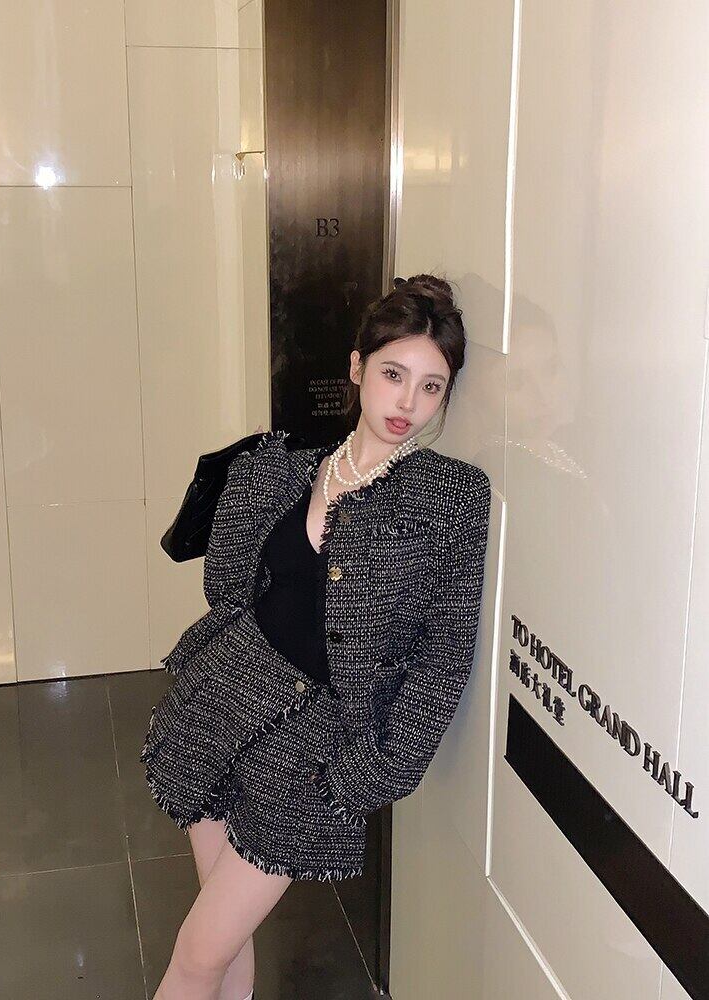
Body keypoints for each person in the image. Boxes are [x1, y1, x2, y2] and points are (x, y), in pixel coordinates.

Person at [142, 273, 492, 1000]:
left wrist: (379, 772)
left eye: (431, 386)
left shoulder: (452, 497)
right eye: (393, 374)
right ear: (357, 368)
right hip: (223, 704)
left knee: (197, 952)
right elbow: (230, 591)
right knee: (220, 939)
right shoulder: (280, 468)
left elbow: (445, 653)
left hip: (314, 750)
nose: (408, 403)